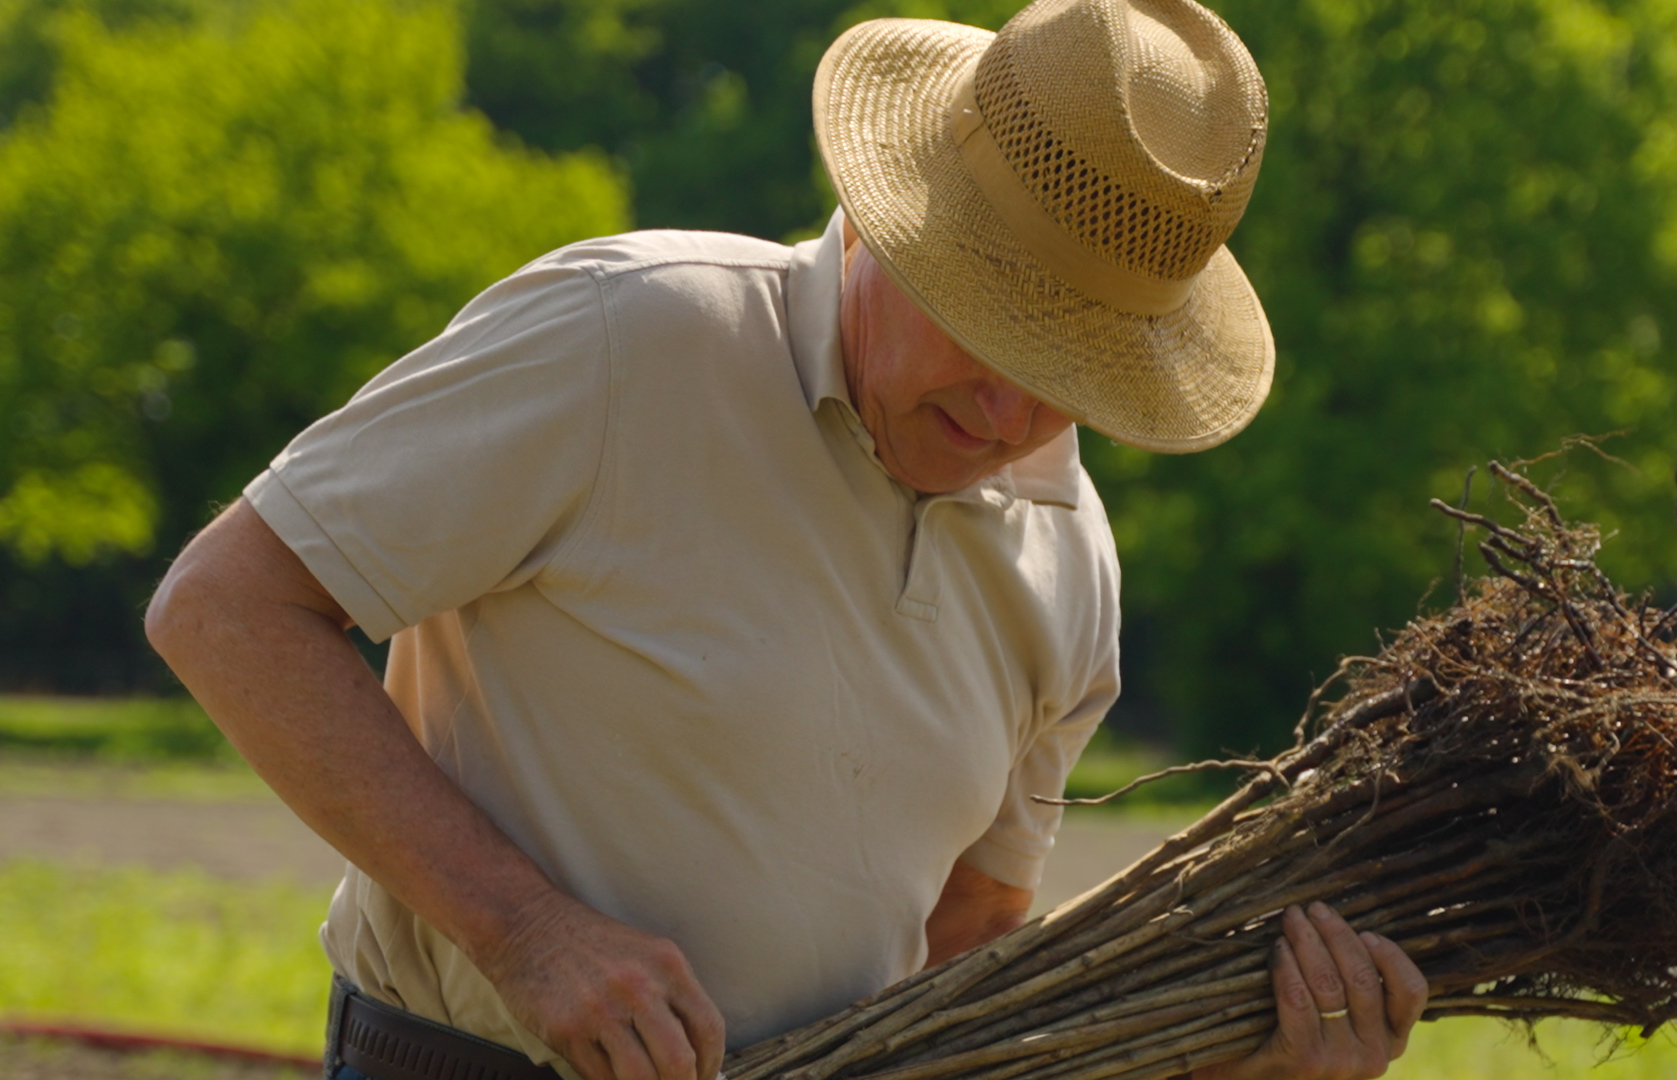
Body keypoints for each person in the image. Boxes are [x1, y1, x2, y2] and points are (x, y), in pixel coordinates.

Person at [144, 2, 1428, 1079]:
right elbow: (226, 608)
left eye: (1071, 368)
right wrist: (528, 934)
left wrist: (1221, 1060)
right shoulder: (628, 338)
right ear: (880, 217)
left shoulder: (1072, 560)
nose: (1009, 413)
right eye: (990, 330)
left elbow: (963, 942)